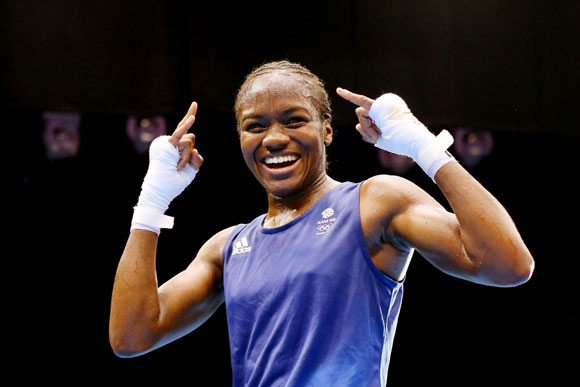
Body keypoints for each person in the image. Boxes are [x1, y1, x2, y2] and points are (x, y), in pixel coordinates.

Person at [109, 60, 534, 386]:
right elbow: (131, 338)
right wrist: (151, 201)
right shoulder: (228, 248)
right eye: (255, 126)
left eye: (294, 120)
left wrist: (423, 145)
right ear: (240, 140)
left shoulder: (374, 203)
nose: (273, 138)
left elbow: (507, 265)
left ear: (327, 132)